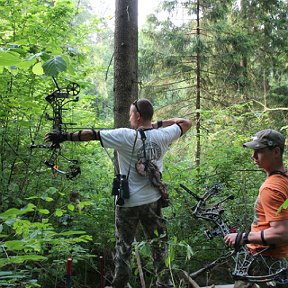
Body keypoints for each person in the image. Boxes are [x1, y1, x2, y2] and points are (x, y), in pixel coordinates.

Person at [45, 98, 192, 288]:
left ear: (138, 116)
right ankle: (164, 283)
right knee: (158, 243)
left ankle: (119, 284)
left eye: (131, 114)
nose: (130, 117)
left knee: (124, 246)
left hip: (128, 203)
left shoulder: (125, 136)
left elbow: (92, 134)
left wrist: (63, 136)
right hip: (152, 201)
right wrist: (156, 124)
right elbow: (185, 123)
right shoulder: (163, 135)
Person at [224, 129, 288, 288]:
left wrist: (243, 237)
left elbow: (282, 233)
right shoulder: (284, 179)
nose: (253, 156)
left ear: (276, 152)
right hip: (280, 259)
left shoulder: (271, 188)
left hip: (264, 259)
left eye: (259, 151)